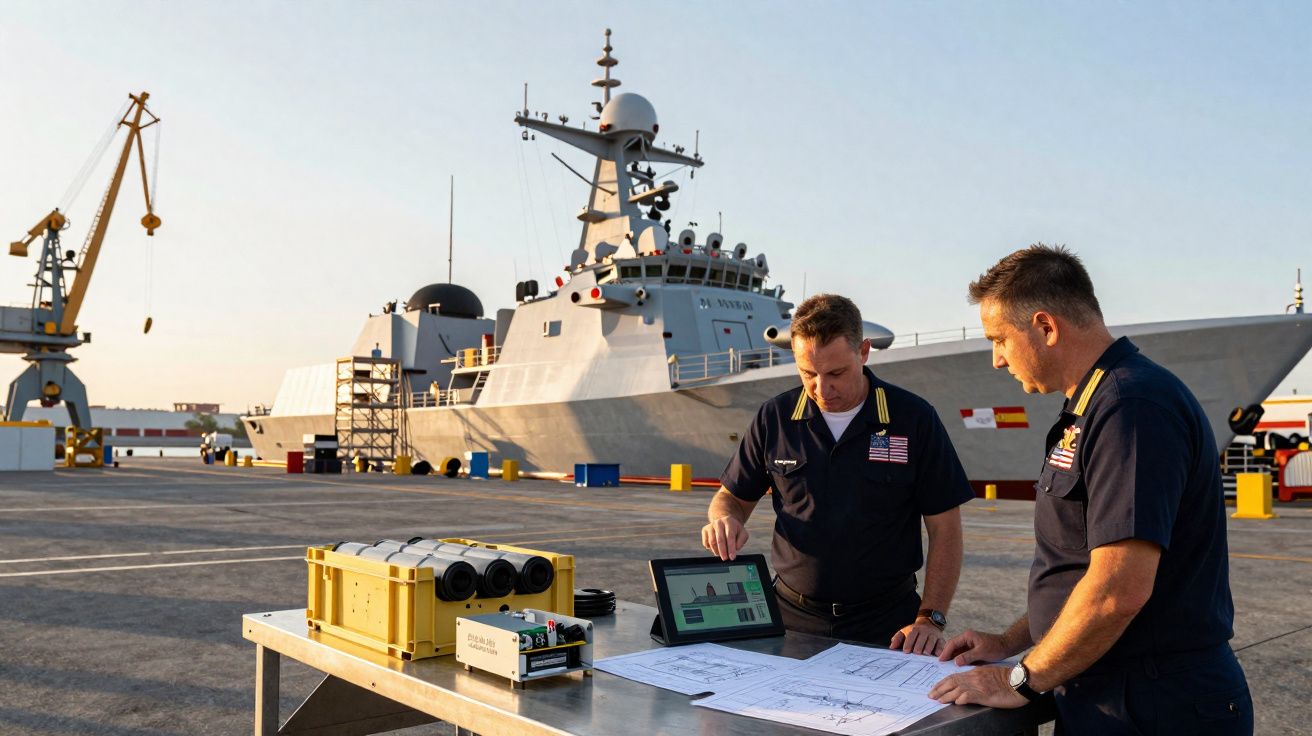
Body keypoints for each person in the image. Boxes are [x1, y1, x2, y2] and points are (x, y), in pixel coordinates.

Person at [929, 245, 1253, 734]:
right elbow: (1081, 575)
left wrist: (1016, 680)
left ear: (1045, 327)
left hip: (1153, 704)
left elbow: (1116, 591)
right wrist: (1009, 640)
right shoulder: (1096, 405)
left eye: (999, 339)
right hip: (1103, 689)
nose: (996, 360)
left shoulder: (1130, 407)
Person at [702, 294, 974, 654]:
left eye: (835, 373)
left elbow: (945, 529)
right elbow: (732, 498)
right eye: (807, 374)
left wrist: (931, 618)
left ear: (863, 352)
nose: (821, 389)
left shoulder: (914, 419)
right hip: (789, 619)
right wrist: (724, 520)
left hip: (889, 625)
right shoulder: (775, 418)